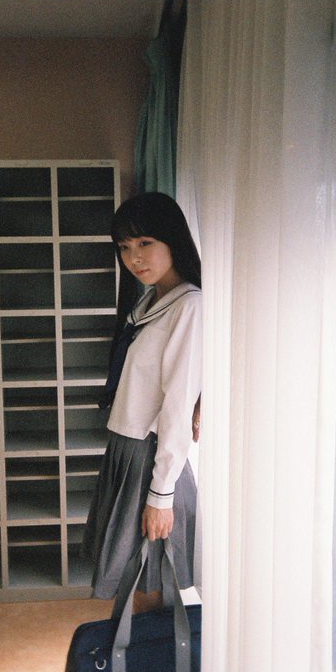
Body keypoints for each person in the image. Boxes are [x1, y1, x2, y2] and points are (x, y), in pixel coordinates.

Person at [82, 192, 202, 614]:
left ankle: (157, 650)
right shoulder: (150, 302)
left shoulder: (188, 305)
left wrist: (161, 496)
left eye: (145, 242)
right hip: (125, 450)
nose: (133, 257)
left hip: (148, 457)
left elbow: (177, 406)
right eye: (124, 247)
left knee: (151, 582)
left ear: (173, 239)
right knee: (137, 582)